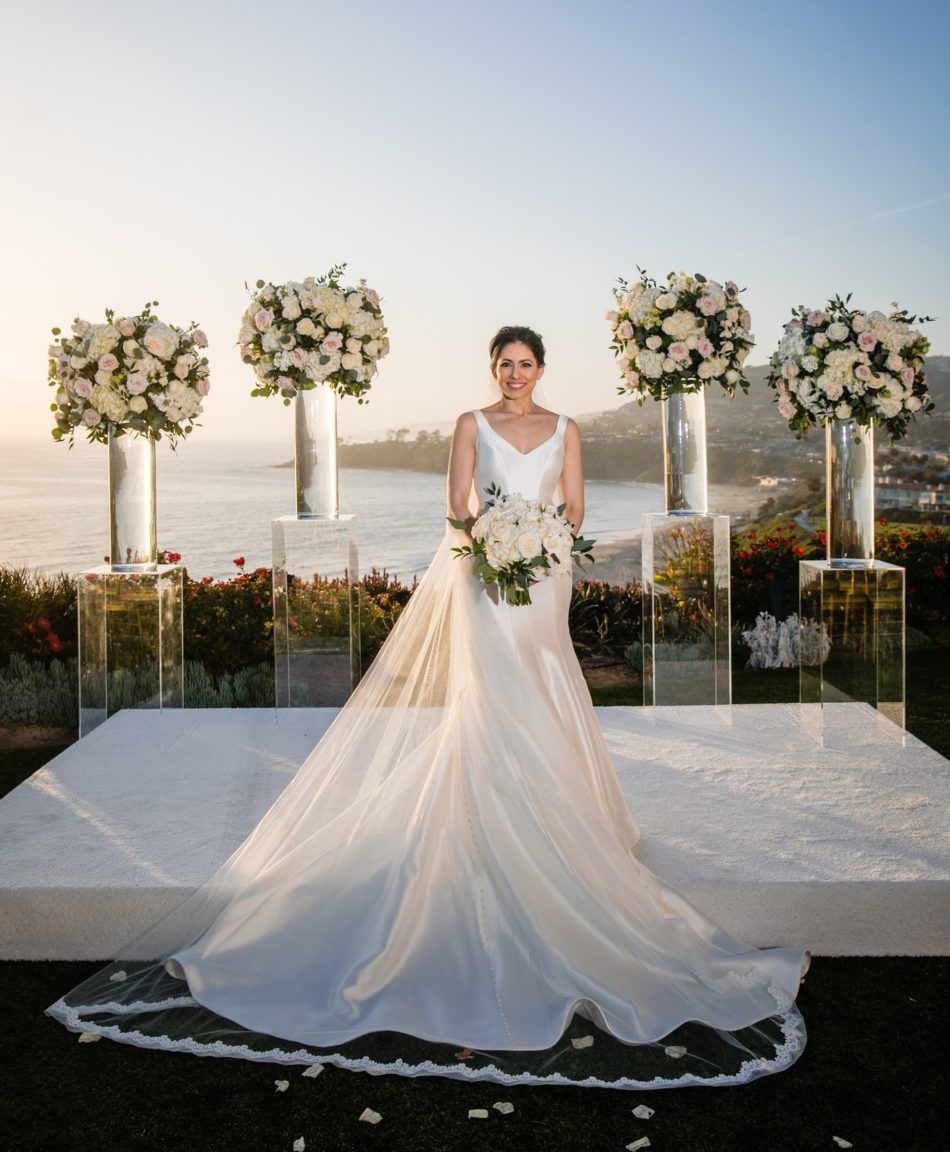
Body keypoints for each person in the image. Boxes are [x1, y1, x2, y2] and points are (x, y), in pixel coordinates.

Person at [46, 324, 809, 1090]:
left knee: (548, 687)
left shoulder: (568, 429)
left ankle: (559, 810)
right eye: (505, 363)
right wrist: (494, 542)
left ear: (542, 369)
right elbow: (458, 504)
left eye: (526, 363)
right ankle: (492, 813)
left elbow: (574, 511)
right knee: (492, 697)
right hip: (484, 578)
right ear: (494, 368)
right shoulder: (469, 425)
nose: (515, 374)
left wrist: (539, 545)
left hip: (543, 582)